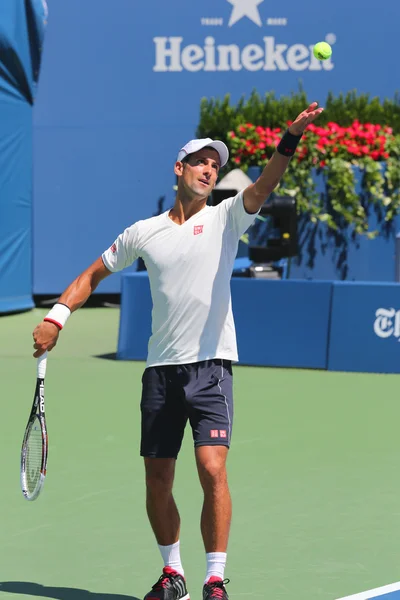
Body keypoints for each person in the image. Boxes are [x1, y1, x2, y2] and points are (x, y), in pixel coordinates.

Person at [32, 102, 323, 600]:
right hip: (161, 372)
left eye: (215, 163)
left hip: (211, 368)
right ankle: (174, 575)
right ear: (180, 168)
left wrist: (289, 139)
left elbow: (264, 185)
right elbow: (92, 275)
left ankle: (214, 579)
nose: (210, 169)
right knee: (157, 479)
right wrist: (57, 315)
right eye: (201, 161)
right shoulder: (143, 232)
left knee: (212, 468)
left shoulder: (229, 215)